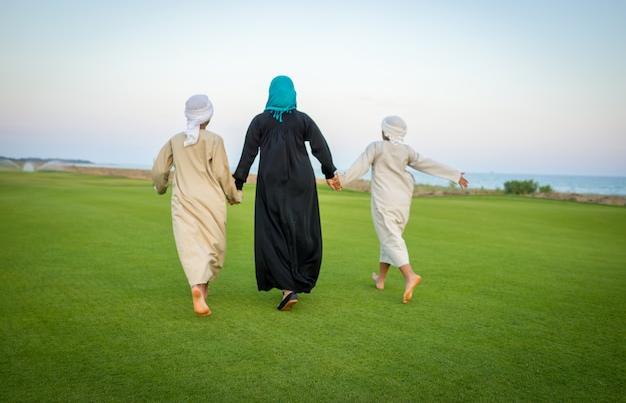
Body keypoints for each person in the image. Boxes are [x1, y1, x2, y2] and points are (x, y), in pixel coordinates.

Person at [233, 75, 341, 311]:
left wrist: (238, 183)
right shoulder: (302, 120)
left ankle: (287, 287)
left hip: (272, 184)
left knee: (273, 232)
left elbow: (248, 154)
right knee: (300, 229)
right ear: (292, 93)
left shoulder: (260, 121)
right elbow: (320, 146)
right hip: (301, 182)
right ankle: (297, 279)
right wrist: (330, 172)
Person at [338, 115, 468, 304]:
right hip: (403, 201)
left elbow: (359, 168)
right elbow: (428, 164)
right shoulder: (407, 151)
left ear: (384, 132)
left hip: (384, 200)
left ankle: (410, 276)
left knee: (391, 238)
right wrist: (455, 175)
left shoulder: (376, 147)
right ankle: (380, 280)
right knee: (390, 237)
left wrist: (340, 180)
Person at [152, 94, 241, 316]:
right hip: (211, 201)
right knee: (213, 246)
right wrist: (233, 194)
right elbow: (222, 172)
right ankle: (200, 289)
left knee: (191, 245)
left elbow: (159, 170)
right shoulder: (215, 140)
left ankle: (197, 288)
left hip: (183, 201)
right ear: (208, 117)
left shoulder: (175, 140)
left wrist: (160, 188)